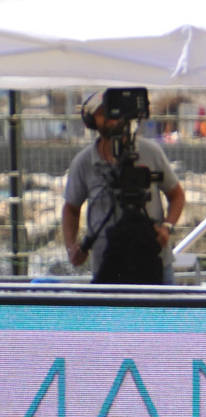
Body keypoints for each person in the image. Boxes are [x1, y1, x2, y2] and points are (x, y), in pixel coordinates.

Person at [61, 89, 186, 284]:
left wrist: (166, 228)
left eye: (113, 112)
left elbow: (176, 194)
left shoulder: (150, 152)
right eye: (103, 113)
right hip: (106, 262)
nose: (111, 119)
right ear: (91, 119)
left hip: (153, 257)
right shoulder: (84, 161)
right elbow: (71, 208)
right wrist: (72, 247)